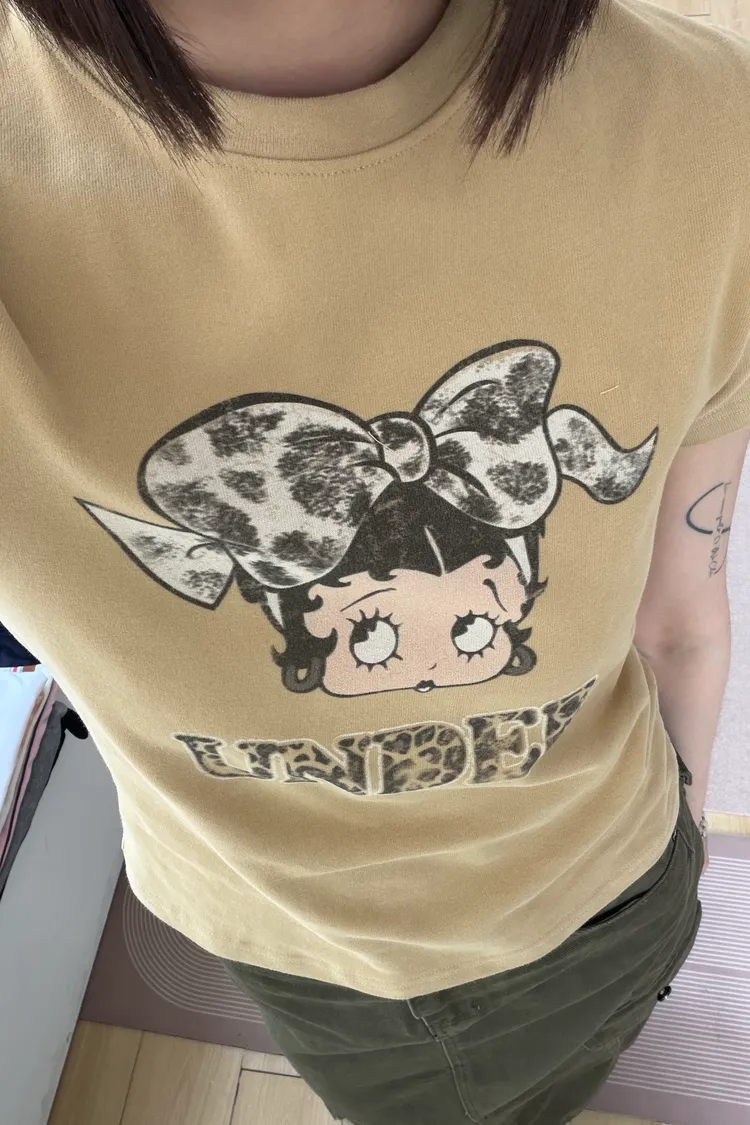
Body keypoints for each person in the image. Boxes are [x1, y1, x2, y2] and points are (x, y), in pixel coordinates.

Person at [1, 0, 749, 1120]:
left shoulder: (712, 125)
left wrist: (679, 831)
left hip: (625, 878)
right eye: (377, 629)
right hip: (322, 966)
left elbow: (682, 612)